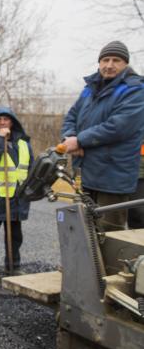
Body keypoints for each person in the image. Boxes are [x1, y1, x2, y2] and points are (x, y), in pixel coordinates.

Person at [61, 41, 144, 231]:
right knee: (88, 230)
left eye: (116, 60)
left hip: (114, 177)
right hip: (89, 171)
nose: (109, 65)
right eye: (105, 59)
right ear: (99, 63)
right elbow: (72, 116)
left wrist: (80, 140)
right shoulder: (90, 89)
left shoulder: (135, 90)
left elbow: (119, 126)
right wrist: (71, 137)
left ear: (125, 64)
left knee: (109, 232)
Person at [0, 107, 34, 273]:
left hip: (16, 200)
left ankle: (13, 268)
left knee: (15, 238)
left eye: (6, 119)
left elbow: (30, 169)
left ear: (13, 122)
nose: (2, 122)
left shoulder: (24, 144)